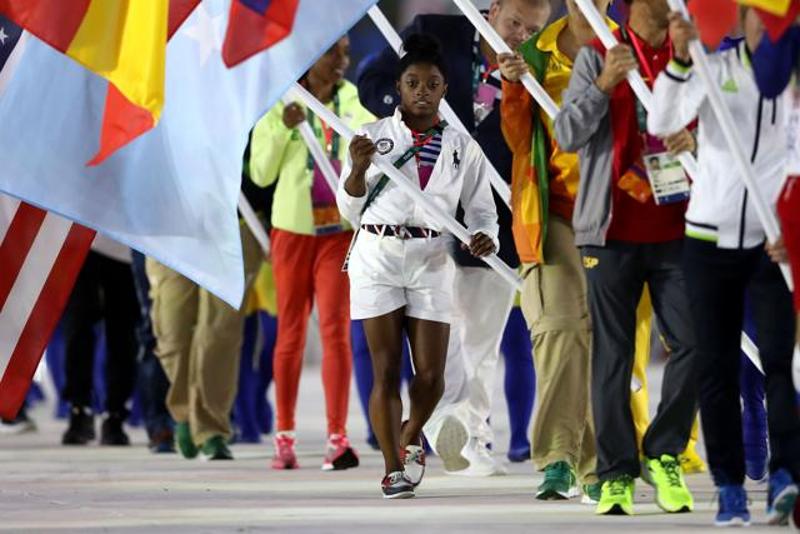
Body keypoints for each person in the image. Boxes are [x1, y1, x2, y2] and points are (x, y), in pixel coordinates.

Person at [357, 0, 550, 476]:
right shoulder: (435, 31)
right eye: (513, 23)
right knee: (443, 339)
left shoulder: (538, 60)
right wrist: (417, 108)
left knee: (483, 339)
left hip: (496, 215)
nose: (520, 34)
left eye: (532, 29)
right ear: (493, 9)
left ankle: (473, 437)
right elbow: (370, 82)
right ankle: (445, 426)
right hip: (420, 215)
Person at [650, 8, 800, 526]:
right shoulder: (714, 66)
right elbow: (662, 122)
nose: (766, 27)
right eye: (759, 17)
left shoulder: (793, 79)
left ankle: (785, 475)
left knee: (779, 363)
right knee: (714, 369)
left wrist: (794, 229)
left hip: (770, 243)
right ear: (745, 19)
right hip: (708, 240)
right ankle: (730, 487)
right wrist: (680, 62)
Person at [337, 33, 498, 498]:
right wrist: (355, 172)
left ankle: (410, 436)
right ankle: (393, 469)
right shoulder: (372, 138)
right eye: (413, 83)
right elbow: (352, 212)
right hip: (378, 256)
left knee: (430, 376)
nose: (422, 91)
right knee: (386, 370)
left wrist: (488, 235)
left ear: (444, 89)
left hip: (431, 259)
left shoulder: (461, 146)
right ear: (400, 87)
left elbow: (481, 209)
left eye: (432, 83)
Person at [554, 0, 698, 516]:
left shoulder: (691, 55)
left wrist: (696, 140)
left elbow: (722, 134)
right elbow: (566, 134)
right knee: (613, 356)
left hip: (681, 229)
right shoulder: (599, 54)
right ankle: (616, 473)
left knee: (695, 345)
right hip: (609, 231)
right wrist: (602, 85)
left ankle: (663, 452)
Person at [249, 36, 374, 471]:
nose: (343, 60)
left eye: (345, 51)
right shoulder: (282, 99)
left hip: (337, 233)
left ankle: (337, 438)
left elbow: (367, 144)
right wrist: (284, 127)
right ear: (309, 55)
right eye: (333, 52)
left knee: (336, 331)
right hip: (293, 232)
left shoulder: (352, 98)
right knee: (290, 334)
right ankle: (284, 437)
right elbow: (260, 173)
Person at [146, 210, 261, 461]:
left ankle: (210, 428)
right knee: (171, 331)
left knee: (219, 334)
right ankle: (185, 411)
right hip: (169, 227)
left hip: (233, 224)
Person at [61, 235, 138, 447]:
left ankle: (115, 415)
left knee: (122, 330)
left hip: (123, 241)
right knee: (76, 327)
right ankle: (79, 410)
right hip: (79, 238)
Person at [130, 251, 175, 453]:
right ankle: (160, 424)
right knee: (155, 327)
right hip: (153, 241)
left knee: (203, 329)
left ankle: (205, 421)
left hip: (205, 235)